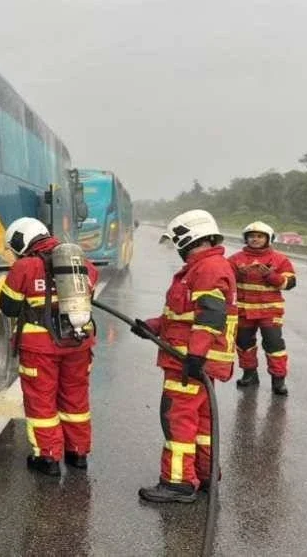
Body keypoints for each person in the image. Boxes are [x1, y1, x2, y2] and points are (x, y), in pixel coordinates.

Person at [130, 209, 237, 503]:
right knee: (200, 422)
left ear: (186, 238)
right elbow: (183, 316)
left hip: (189, 362)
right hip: (196, 359)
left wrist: (195, 355)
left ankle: (178, 482)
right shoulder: (204, 267)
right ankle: (205, 474)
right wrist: (152, 327)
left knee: (177, 419)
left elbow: (210, 317)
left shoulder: (208, 269)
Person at [0, 217, 100, 477]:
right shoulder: (81, 262)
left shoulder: (25, 266)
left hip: (40, 348)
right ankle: (78, 454)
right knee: (75, 400)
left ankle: (48, 457)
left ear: (21, 242)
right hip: (78, 343)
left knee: (41, 402)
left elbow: (8, 307)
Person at [228, 221, 296, 396]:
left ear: (268, 238)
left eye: (260, 236)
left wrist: (270, 275)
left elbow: (289, 283)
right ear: (245, 239)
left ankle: (278, 380)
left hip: (269, 311)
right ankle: (250, 375)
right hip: (243, 311)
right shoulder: (235, 259)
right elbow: (225, 281)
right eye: (251, 236)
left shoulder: (280, 259)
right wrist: (237, 275)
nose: (255, 239)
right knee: (244, 344)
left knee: (274, 344)